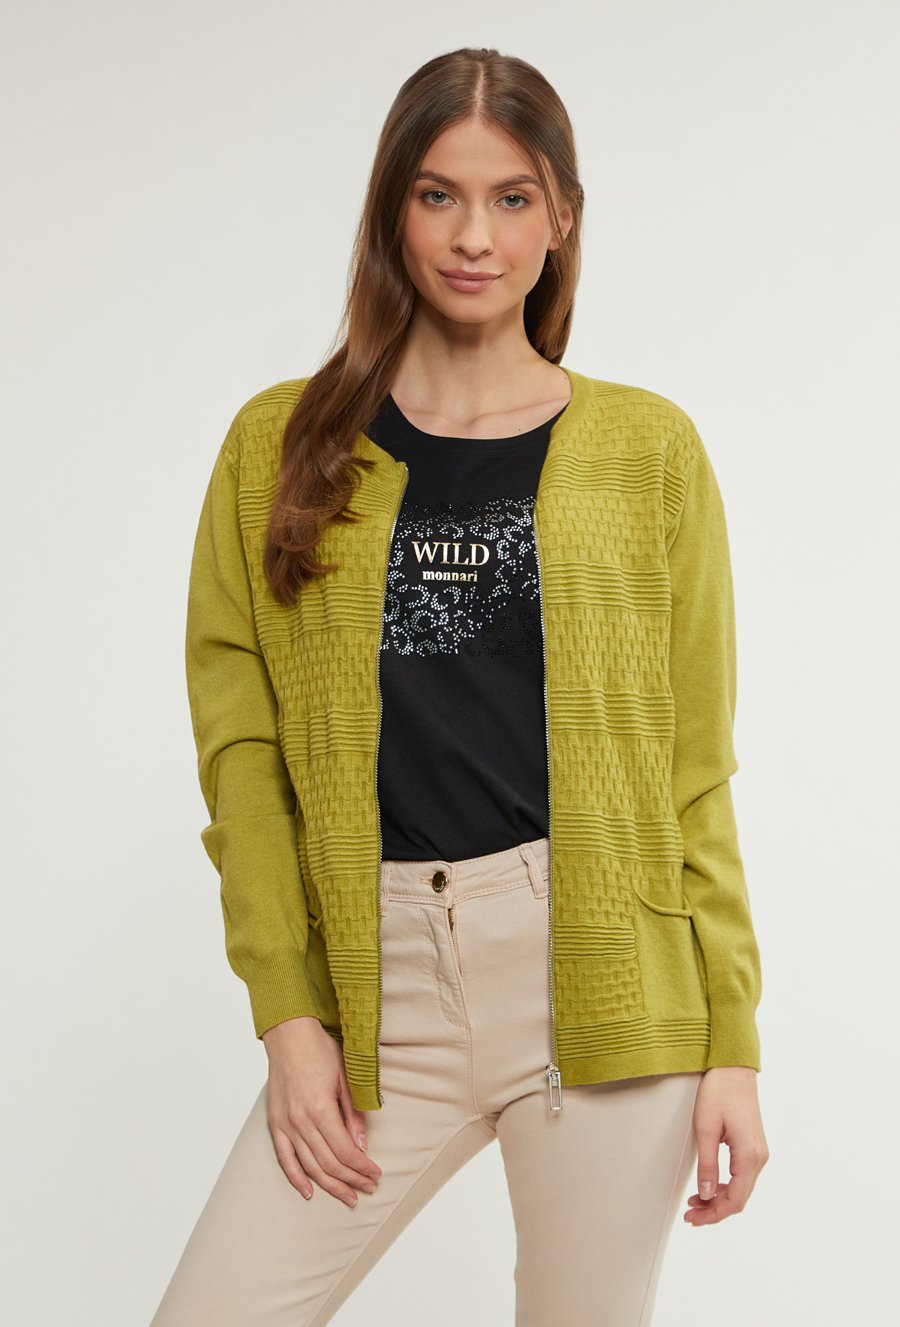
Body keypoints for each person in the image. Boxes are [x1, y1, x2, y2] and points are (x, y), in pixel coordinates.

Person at [151, 45, 768, 1327]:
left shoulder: (647, 450)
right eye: (438, 195)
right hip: (377, 991)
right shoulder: (282, 445)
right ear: (393, 212)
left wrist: (732, 1044)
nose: (473, 236)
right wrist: (288, 1015)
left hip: (604, 977)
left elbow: (693, 768)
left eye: (510, 197)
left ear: (561, 219)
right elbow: (241, 752)